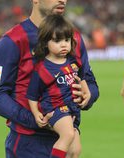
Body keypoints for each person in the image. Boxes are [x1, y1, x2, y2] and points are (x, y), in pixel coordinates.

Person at [0, 0, 99, 158]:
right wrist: (36, 120)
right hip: (28, 145)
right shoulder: (10, 42)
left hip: (69, 142)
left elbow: (90, 82)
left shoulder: (74, 38)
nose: (62, 0)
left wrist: (88, 96)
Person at [27, 14, 92, 158]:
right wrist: (36, 113)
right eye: (57, 41)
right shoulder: (43, 68)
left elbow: (81, 76)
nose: (64, 44)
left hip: (72, 110)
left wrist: (86, 91)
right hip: (55, 108)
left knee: (75, 151)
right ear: (45, 43)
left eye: (67, 40)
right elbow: (31, 95)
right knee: (67, 134)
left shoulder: (73, 61)